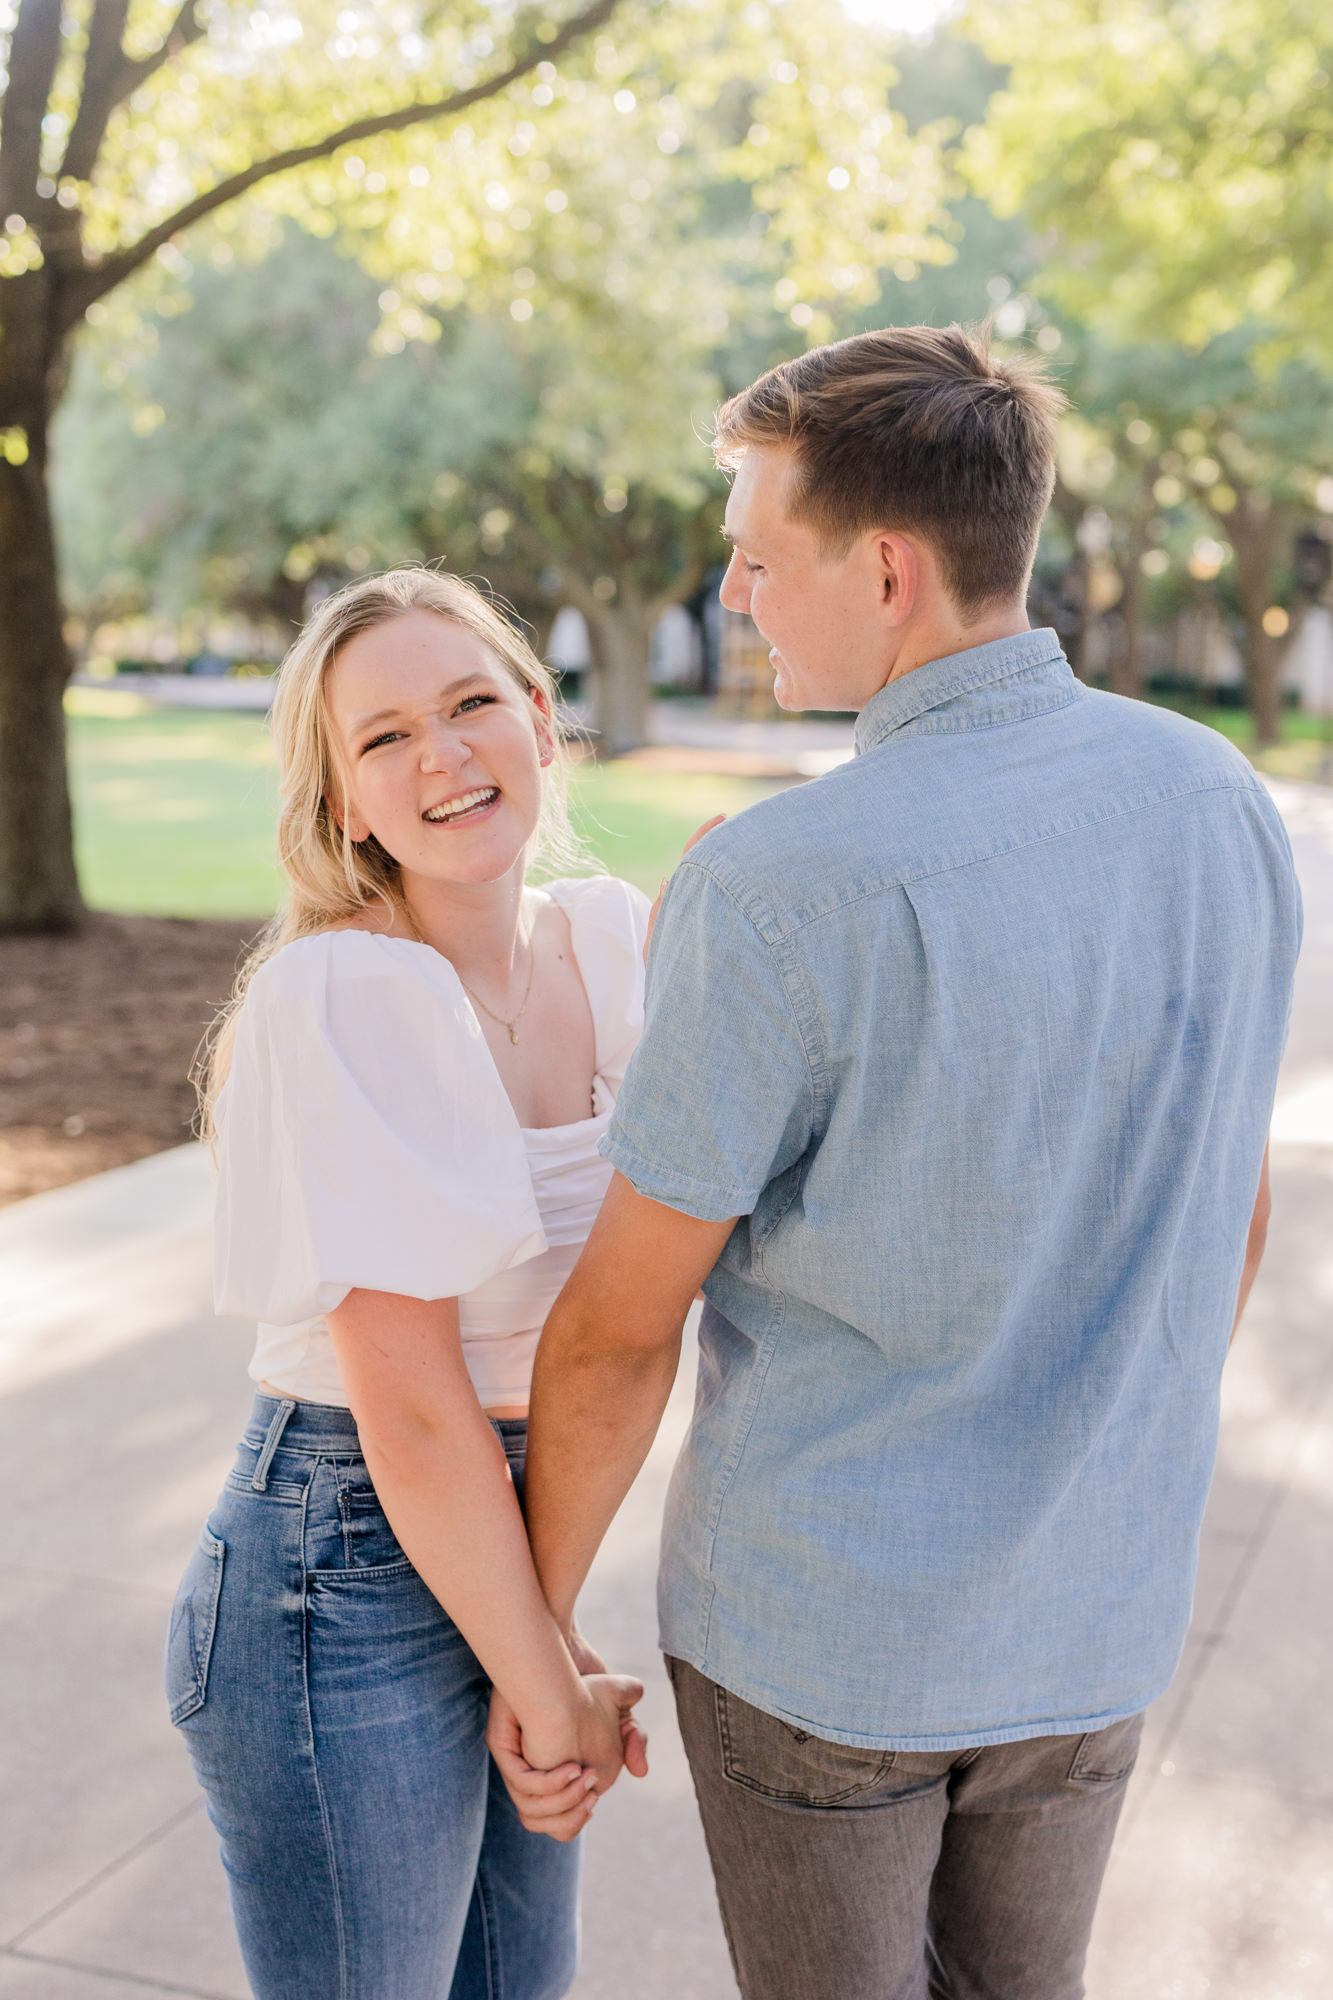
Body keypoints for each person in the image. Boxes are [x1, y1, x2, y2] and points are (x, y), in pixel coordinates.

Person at [492, 326, 1302, 2000]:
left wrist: (537, 1639)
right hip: (1094, 1621)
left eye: (754, 557)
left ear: (883, 568)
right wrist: (1090, 1463)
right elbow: (1233, 1196)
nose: (731, 595)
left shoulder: (782, 885)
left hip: (818, 1647)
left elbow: (622, 1325)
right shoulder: (1217, 800)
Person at [167, 569, 648, 2000]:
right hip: (337, 1573)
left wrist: (543, 1635)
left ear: (541, 722)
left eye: (468, 703)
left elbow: (619, 1330)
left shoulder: (610, 948)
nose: (438, 757)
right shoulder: (344, 995)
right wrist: (548, 1683)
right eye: (379, 739)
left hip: (504, 1541)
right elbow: (418, 1415)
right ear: (340, 806)